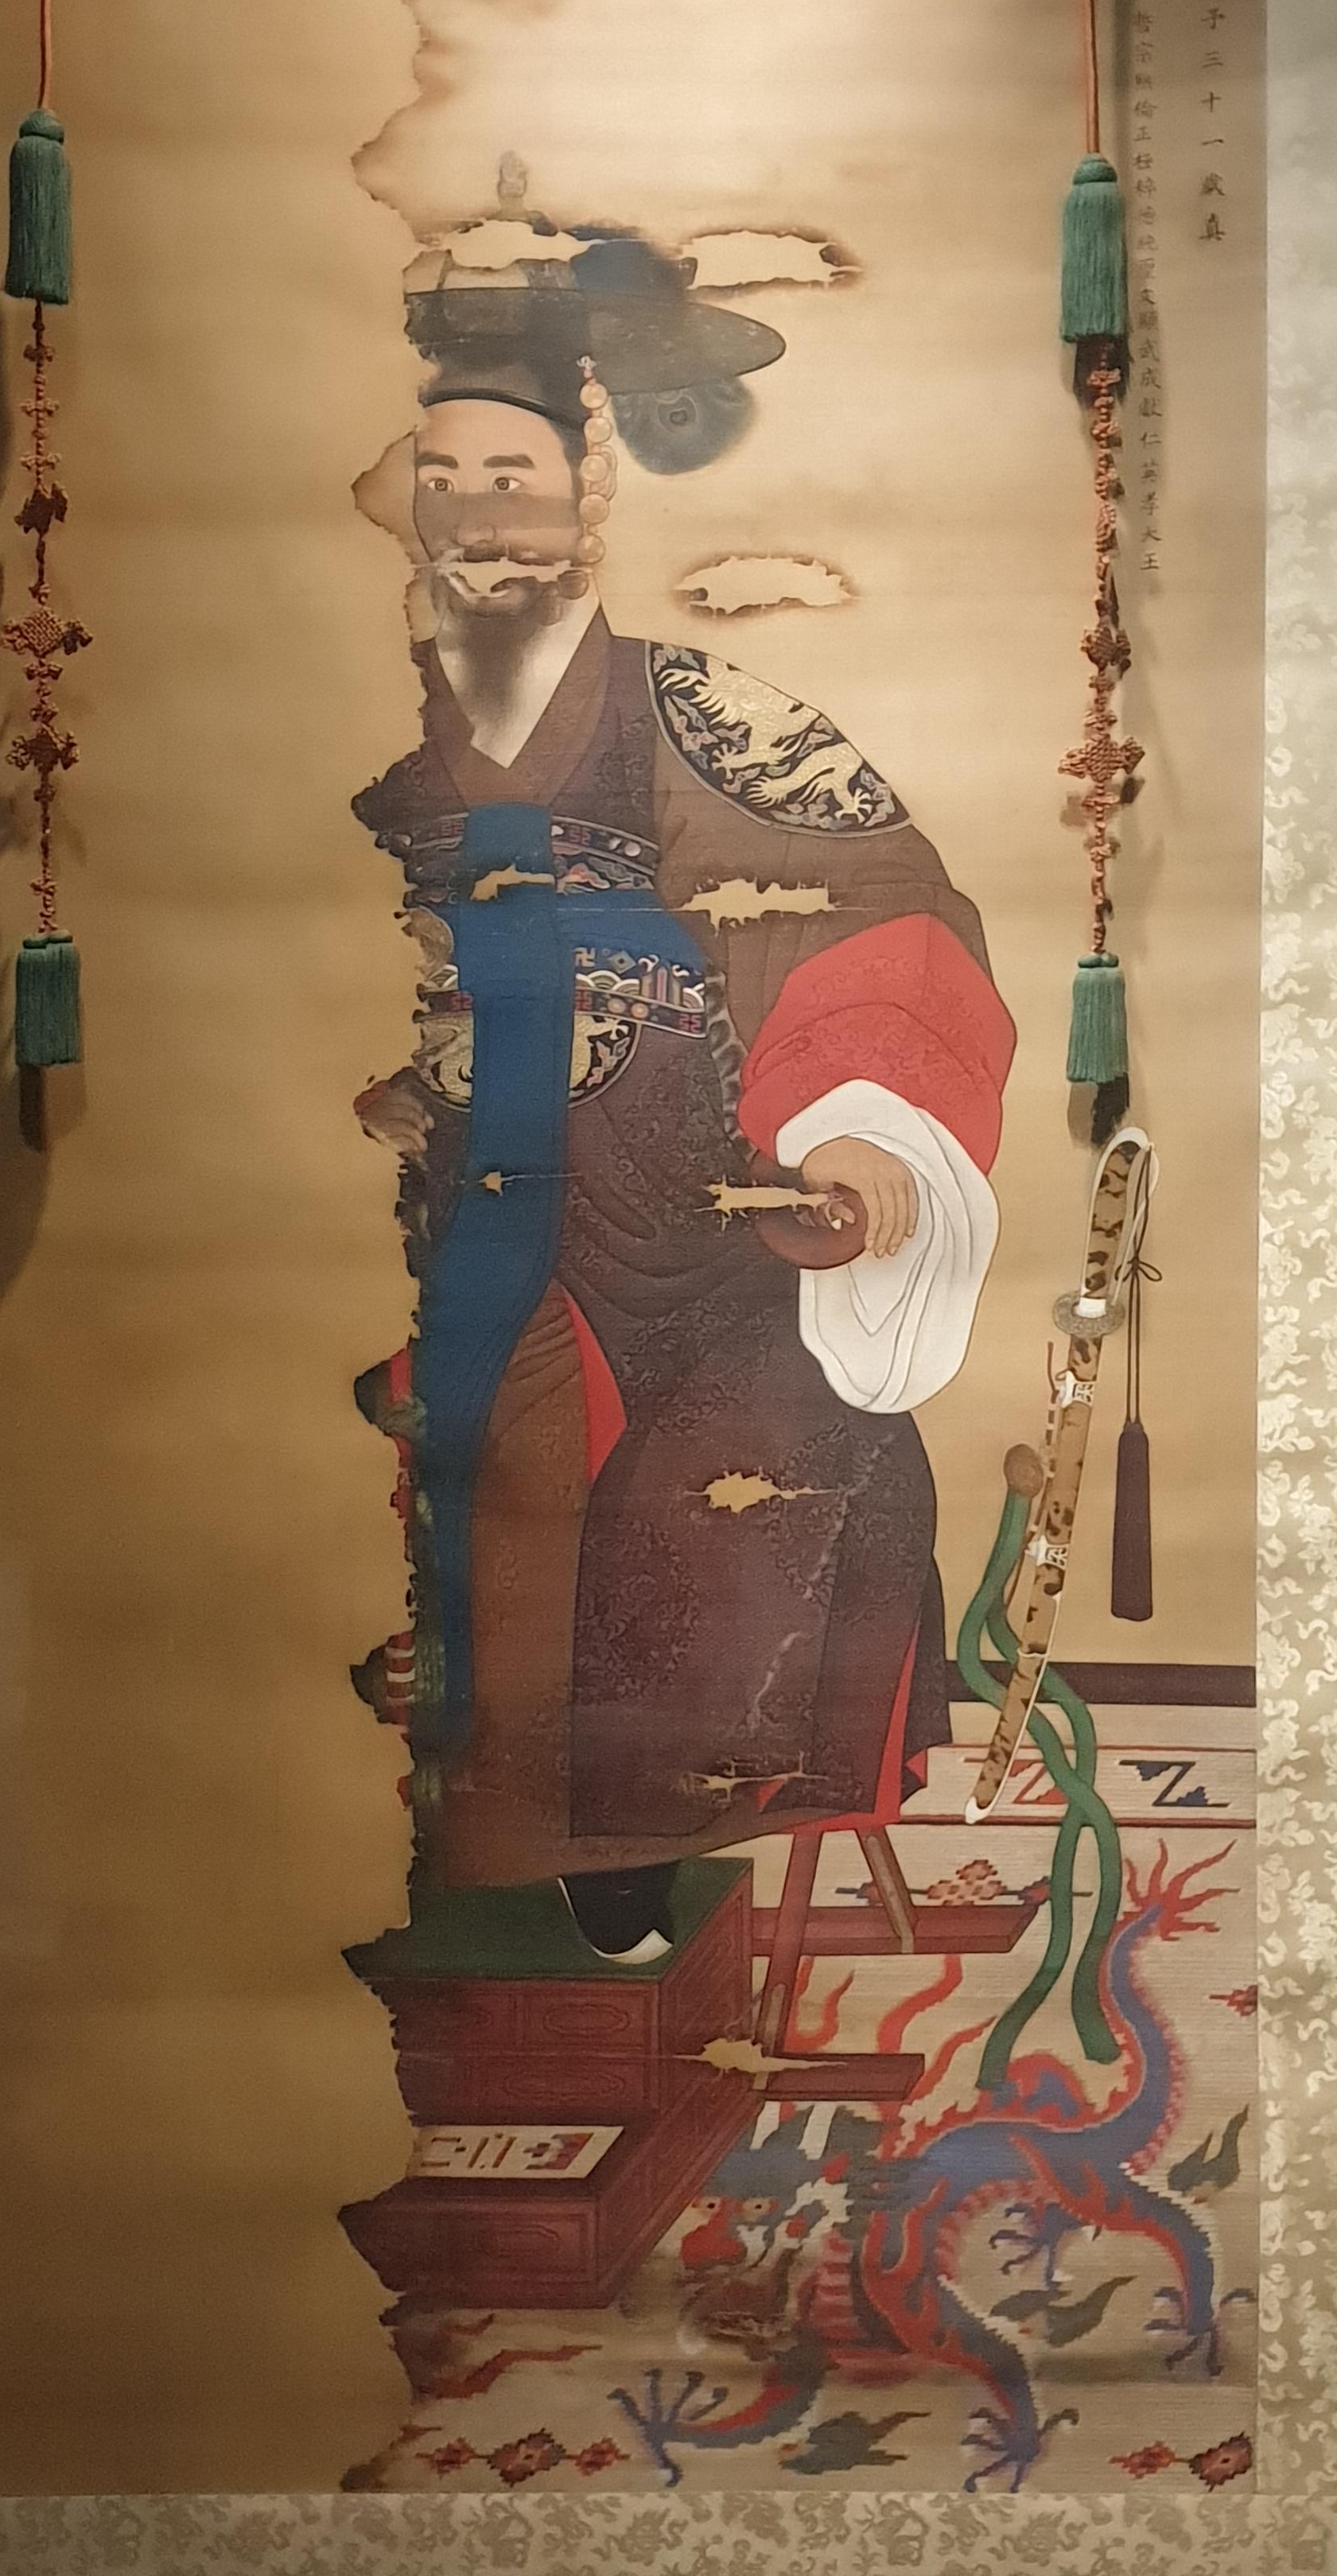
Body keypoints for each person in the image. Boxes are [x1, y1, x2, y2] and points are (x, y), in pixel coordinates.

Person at [353, 239, 1015, 1960]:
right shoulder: (328, 712)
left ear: (586, 495)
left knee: (740, 1445)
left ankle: (628, 1833)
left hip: (667, 1198)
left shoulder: (698, 708)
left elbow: (873, 908)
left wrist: (858, 1122)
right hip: (395, 1178)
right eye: (443, 478)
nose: (481, 517)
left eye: (516, 476)